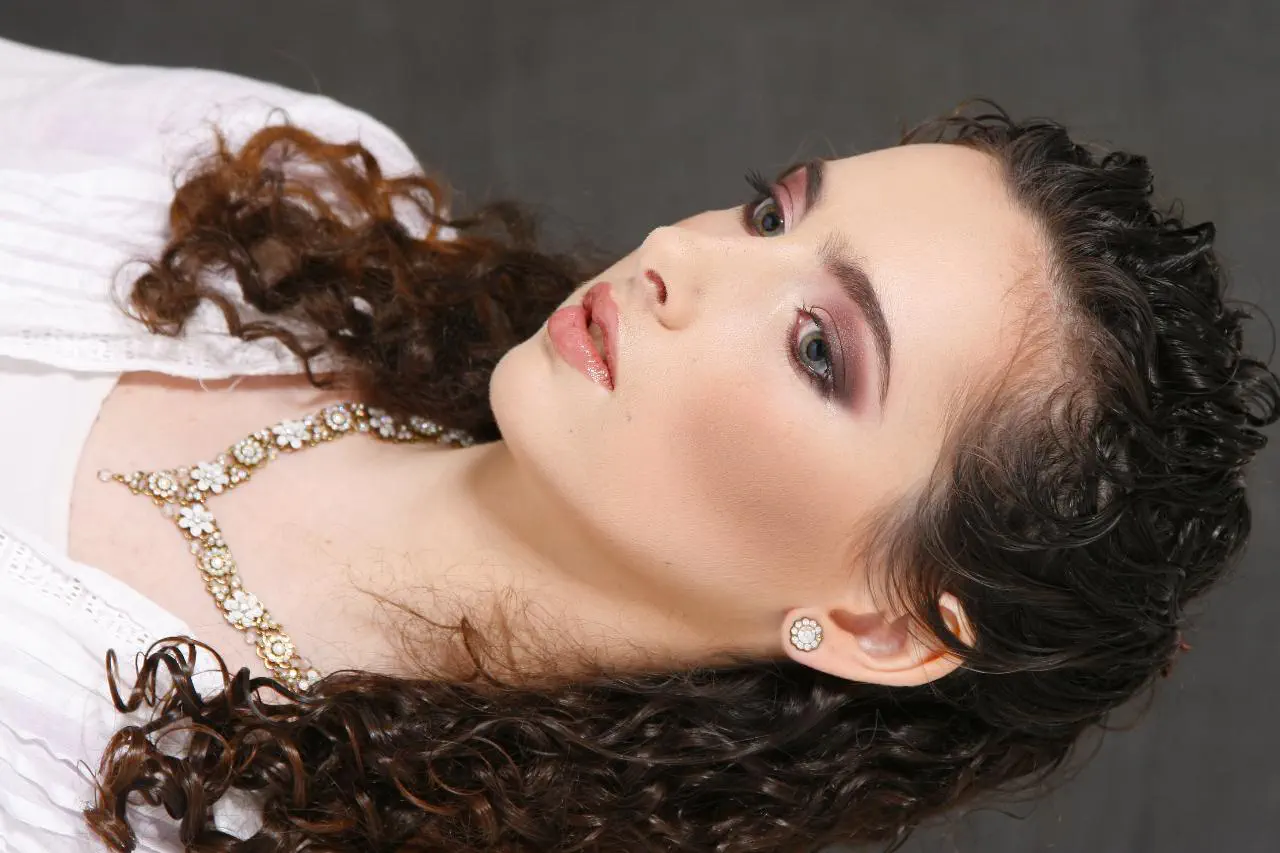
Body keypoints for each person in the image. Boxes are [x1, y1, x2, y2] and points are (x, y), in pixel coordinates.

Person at [0, 35, 1274, 853]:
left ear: (881, 626)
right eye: (769, 214)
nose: (676, 256)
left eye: (817, 348)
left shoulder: (235, 825)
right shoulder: (283, 208)